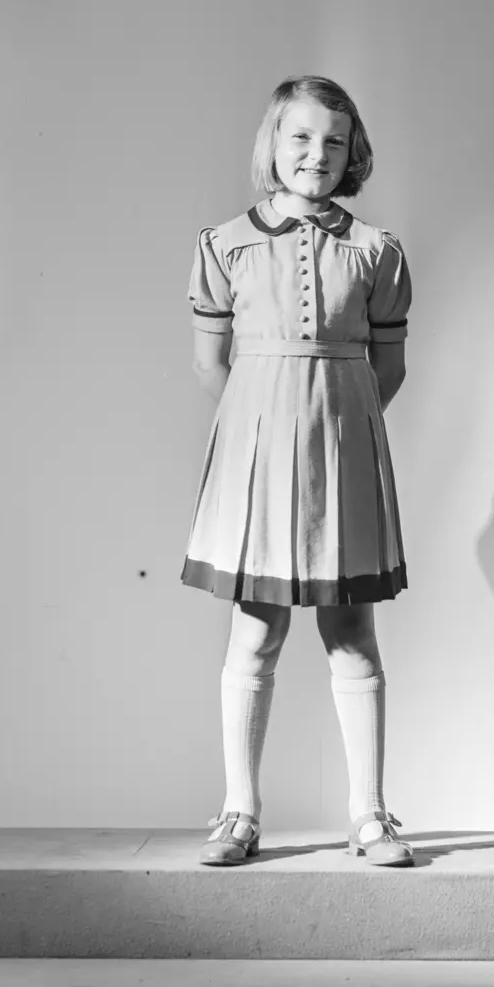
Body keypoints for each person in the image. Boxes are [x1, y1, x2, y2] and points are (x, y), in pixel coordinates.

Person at [182, 75, 414, 868]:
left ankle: (370, 815)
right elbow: (211, 364)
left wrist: (338, 425)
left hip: (344, 457)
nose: (317, 154)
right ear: (273, 145)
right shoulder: (225, 246)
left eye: (334, 142)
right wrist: (263, 428)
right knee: (255, 631)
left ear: (353, 154)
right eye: (302, 138)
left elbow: (389, 369)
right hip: (257, 461)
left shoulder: (376, 251)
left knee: (353, 634)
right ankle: (238, 813)